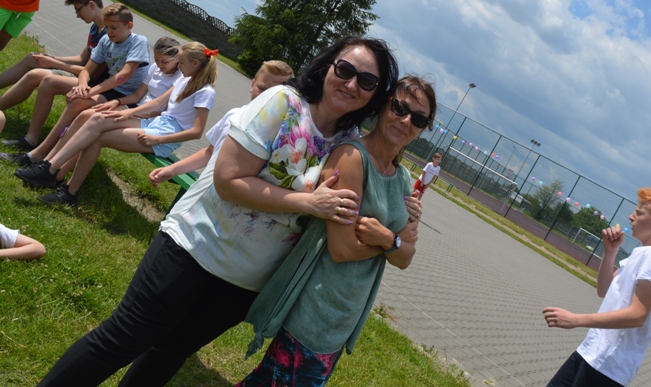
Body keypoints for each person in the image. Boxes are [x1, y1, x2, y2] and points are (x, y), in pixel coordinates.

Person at [37, 36, 411, 387]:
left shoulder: (347, 144)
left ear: (375, 95)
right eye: (345, 70)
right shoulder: (282, 102)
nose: (352, 84)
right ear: (328, 66)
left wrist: (405, 210)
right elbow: (228, 179)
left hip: (245, 282)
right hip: (194, 245)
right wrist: (307, 203)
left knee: (170, 351)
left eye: (367, 81)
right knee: (123, 338)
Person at [239, 75, 436, 386]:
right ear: (383, 106)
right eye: (399, 108)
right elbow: (342, 249)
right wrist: (392, 243)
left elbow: (406, 258)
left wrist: (387, 238)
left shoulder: (402, 179)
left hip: (345, 315)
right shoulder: (352, 157)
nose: (406, 121)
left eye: (419, 119)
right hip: (315, 310)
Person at [18, 41, 215, 207]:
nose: (179, 67)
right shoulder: (185, 80)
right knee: (97, 119)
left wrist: (157, 139)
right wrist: (125, 112)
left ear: (195, 63)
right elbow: (156, 103)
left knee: (98, 136)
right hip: (155, 122)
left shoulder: (206, 92)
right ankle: (52, 170)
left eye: (181, 63)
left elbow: (196, 132)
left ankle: (62, 184)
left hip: (165, 136)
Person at [542, 187, 651, 387]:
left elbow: (638, 315)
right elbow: (604, 290)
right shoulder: (642, 253)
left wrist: (576, 319)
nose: (631, 217)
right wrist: (610, 251)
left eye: (639, 213)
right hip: (592, 352)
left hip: (608, 366)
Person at [23, 36, 181, 187]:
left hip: (149, 117)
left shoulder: (180, 78)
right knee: (86, 115)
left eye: (164, 61)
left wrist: (132, 112)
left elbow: (162, 109)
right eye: (157, 59)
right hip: (136, 108)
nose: (159, 64)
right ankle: (48, 161)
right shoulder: (155, 69)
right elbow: (137, 96)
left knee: (95, 127)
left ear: (176, 59)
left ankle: (57, 172)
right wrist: (117, 102)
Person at [7, 3, 150, 168]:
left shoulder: (138, 41)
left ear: (129, 25)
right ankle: (30, 139)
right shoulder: (105, 40)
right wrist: (82, 86)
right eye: (107, 27)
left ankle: (38, 155)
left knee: (78, 102)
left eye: (114, 28)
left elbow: (122, 76)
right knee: (49, 82)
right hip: (107, 88)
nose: (109, 31)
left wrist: (89, 93)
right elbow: (86, 70)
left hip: (125, 97)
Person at [149, 59, 293, 189]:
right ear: (252, 84)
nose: (265, 96)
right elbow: (209, 152)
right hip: (204, 189)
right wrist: (173, 169)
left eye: (273, 93)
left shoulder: (282, 137)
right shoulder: (233, 116)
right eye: (261, 88)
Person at [0, 0, 106, 143]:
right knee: (32, 58)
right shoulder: (95, 27)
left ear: (91, 5)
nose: (77, 15)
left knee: (36, 75)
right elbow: (81, 58)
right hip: (82, 73)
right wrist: (50, 57)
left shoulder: (109, 33)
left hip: (90, 83)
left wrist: (53, 62)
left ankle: (28, 137)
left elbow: (92, 73)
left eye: (78, 10)